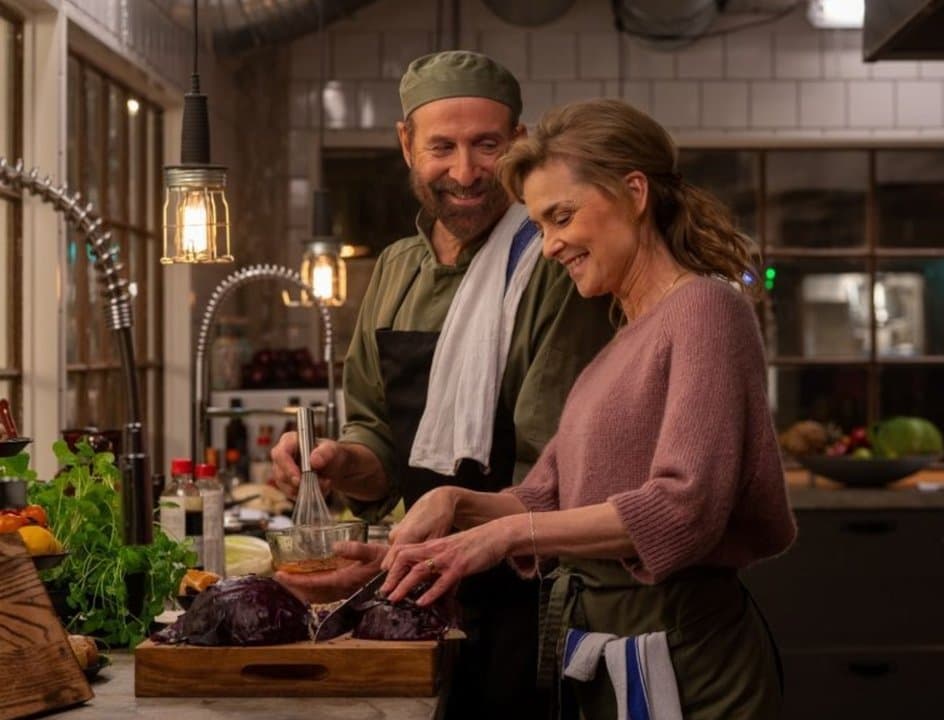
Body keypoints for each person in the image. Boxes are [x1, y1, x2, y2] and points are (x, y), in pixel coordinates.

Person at [378, 98, 797, 718]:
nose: (550, 246)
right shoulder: (622, 338)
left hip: (688, 664)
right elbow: (547, 497)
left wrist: (503, 535)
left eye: (562, 216)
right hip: (615, 651)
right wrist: (454, 507)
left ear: (634, 192)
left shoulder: (706, 310)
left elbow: (683, 509)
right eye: (540, 225)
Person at [268, 52, 614, 718]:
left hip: (523, 588)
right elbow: (379, 433)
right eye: (442, 148)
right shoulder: (396, 268)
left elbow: (556, 469)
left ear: (519, 142)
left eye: (487, 145)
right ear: (407, 145)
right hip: (415, 583)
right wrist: (340, 461)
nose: (464, 172)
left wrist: (439, 535)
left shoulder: (551, 266)